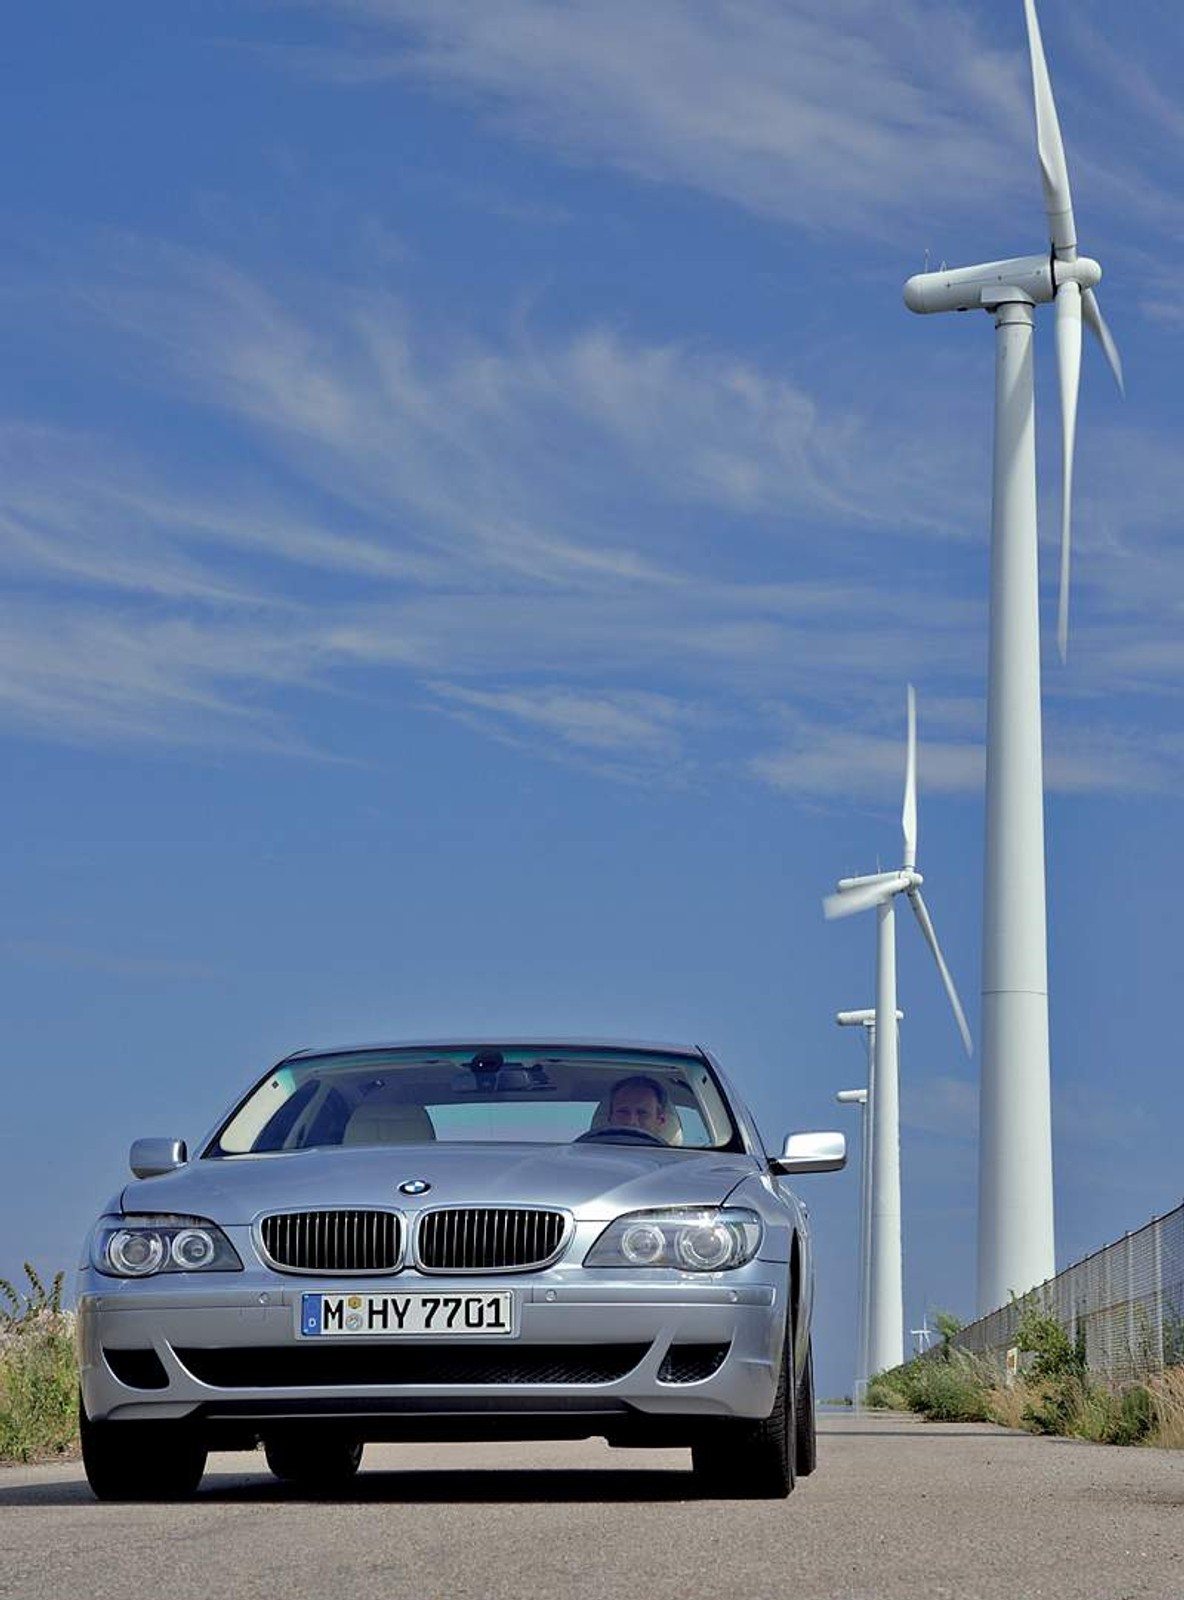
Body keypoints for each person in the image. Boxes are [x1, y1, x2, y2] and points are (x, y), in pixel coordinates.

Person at [606, 1074, 673, 1141]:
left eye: (642, 1113)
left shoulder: (676, 1152)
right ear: (610, 1117)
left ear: (660, 1121)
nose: (631, 1122)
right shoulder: (595, 1149)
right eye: (623, 1112)